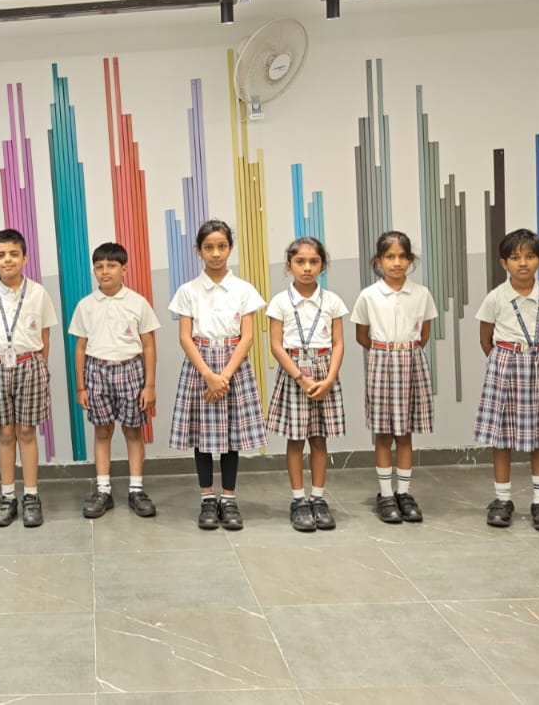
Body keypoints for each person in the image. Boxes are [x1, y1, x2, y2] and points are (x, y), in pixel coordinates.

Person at [168, 219, 268, 531]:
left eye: (221, 246)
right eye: (209, 247)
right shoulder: (188, 291)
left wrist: (223, 375)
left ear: (230, 248)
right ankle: (207, 498)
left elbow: (248, 336)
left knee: (230, 437)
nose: (216, 253)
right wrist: (208, 375)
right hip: (200, 364)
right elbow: (185, 337)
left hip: (233, 365)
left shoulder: (244, 289)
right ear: (199, 251)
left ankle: (229, 498)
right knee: (202, 437)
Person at [474, 229, 539, 532]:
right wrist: (505, 361)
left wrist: (538, 360)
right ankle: (502, 500)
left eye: (529, 256)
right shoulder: (495, 298)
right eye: (515, 257)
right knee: (502, 437)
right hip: (505, 365)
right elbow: (485, 339)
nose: (522, 263)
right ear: (504, 263)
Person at [0, 229, 59, 528]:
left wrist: (38, 366)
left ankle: (31, 495)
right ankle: (8, 496)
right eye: (1, 255)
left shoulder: (38, 293)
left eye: (13, 254)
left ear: (25, 258)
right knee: (5, 433)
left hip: (29, 365)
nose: (8, 260)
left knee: (27, 432)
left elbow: (44, 335)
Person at [351, 231, 438, 524]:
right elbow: (362, 335)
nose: (396, 262)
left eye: (402, 256)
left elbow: (424, 334)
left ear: (410, 260)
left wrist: (405, 351)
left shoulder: (421, 294)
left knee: (405, 432)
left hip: (411, 360)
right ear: (379, 261)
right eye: (390, 256)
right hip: (381, 361)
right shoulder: (369, 295)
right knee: (384, 432)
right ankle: (386, 494)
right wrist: (386, 352)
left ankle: (405, 493)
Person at [69, 242, 161, 519]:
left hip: (131, 370)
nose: (105, 271)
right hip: (97, 372)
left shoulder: (137, 302)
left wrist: (150, 384)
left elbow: (148, 346)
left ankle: (136, 489)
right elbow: (81, 348)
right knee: (102, 431)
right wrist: (81, 386)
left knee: (133, 431)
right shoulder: (86, 306)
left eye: (111, 265)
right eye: (99, 266)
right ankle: (103, 490)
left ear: (124, 269)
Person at [265, 237, 348, 532]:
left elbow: (339, 344)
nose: (307, 268)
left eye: (314, 262)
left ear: (322, 265)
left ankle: (319, 498)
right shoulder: (280, 302)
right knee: (296, 438)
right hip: (294, 372)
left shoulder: (333, 301)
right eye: (300, 262)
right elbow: (275, 346)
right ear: (289, 266)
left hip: (325, 371)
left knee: (319, 438)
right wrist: (300, 377)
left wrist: (329, 378)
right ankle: (299, 500)